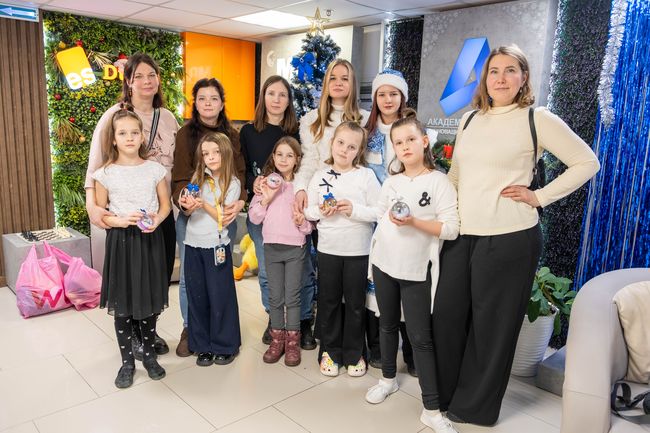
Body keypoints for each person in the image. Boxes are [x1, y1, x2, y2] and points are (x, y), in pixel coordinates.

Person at [432, 44, 600, 426]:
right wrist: (441, 216)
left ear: (524, 77)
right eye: (494, 71)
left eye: (511, 70)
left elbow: (587, 162)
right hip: (461, 236)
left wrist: (538, 196)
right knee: (447, 317)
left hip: (510, 237)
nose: (501, 78)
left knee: (492, 329)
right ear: (484, 79)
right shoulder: (469, 119)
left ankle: (473, 408)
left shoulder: (536, 118)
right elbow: (456, 175)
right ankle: (441, 396)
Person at [365, 111, 459, 433]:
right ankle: (387, 379)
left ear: (425, 141)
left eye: (410, 139)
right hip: (383, 264)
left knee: (421, 339)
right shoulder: (392, 182)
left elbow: (451, 228)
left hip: (416, 270)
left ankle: (431, 409)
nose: (405, 146)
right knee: (387, 325)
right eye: (398, 142)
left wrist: (414, 222)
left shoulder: (439, 182)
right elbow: (379, 214)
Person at [85, 53, 179, 359]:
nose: (146, 81)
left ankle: (148, 328)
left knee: (158, 273)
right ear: (128, 81)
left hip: (160, 211)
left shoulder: (168, 117)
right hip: (126, 216)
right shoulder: (114, 116)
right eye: (139, 76)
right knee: (129, 276)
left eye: (152, 75)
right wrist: (92, 206)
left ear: (158, 80)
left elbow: (177, 164)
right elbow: (95, 166)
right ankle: (136, 335)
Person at [92, 107, 170, 389]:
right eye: (122, 133)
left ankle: (149, 356)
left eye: (134, 133)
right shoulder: (104, 174)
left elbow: (165, 205)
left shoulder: (155, 169)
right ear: (113, 139)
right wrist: (120, 220)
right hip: (121, 242)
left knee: (148, 301)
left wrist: (156, 221)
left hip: (149, 241)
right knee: (123, 304)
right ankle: (127, 362)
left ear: (142, 137)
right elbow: (102, 213)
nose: (129, 138)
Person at [240, 75, 317, 350]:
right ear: (263, 97)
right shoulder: (249, 131)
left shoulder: (298, 132)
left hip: (294, 214)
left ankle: (303, 321)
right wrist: (254, 182)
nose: (276, 99)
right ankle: (274, 321)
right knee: (266, 273)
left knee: (303, 271)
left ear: (289, 101)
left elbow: (308, 166)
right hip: (264, 211)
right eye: (271, 93)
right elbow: (242, 168)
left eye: (282, 94)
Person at [171, 78, 246, 357]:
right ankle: (191, 331)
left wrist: (240, 200)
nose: (208, 103)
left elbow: (240, 174)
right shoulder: (185, 134)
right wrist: (186, 202)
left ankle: (221, 338)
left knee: (219, 286)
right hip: (192, 221)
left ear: (222, 103)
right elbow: (180, 178)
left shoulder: (233, 136)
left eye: (214, 98)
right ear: (195, 103)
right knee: (191, 282)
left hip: (222, 223)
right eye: (202, 98)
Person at [304, 121, 380, 377]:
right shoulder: (320, 175)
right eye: (340, 143)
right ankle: (330, 352)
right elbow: (309, 211)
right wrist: (321, 211)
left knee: (356, 304)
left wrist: (354, 210)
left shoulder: (366, 176)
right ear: (332, 143)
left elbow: (379, 211)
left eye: (351, 147)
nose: (344, 150)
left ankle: (355, 353)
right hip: (329, 250)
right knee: (329, 302)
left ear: (359, 151)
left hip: (358, 251)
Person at [364, 68, 415, 376]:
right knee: (375, 287)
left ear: (402, 97)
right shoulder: (366, 132)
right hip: (373, 220)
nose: (387, 99)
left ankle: (411, 352)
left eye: (393, 94)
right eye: (381, 94)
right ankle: (378, 350)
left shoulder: (411, 130)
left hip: (405, 220)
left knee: (406, 283)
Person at [248, 136, 312, 366]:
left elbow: (309, 226)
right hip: (271, 248)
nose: (284, 159)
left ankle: (293, 343)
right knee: (275, 297)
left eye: (289, 155)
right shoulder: (265, 184)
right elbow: (254, 218)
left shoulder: (301, 188)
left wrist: (301, 222)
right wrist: (265, 200)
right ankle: (277, 341)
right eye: (280, 154)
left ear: (297, 160)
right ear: (273, 157)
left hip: (295, 249)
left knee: (293, 296)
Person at [181, 132, 242, 366]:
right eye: (206, 154)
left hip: (216, 246)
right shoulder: (198, 179)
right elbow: (188, 212)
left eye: (216, 152)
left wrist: (203, 204)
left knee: (220, 297)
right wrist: (187, 205)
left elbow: (223, 217)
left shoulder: (232, 184)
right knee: (197, 296)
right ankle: (201, 345)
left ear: (226, 153)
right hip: (193, 244)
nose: (211, 157)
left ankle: (225, 345)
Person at [293, 58, 370, 209]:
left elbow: (367, 161)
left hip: (354, 195)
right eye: (333, 78)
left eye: (344, 79)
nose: (338, 83)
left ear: (352, 84)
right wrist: (301, 187)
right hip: (322, 193)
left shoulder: (365, 119)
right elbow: (310, 160)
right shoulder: (311, 120)